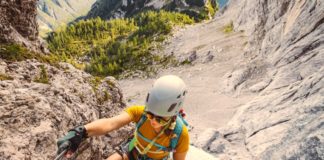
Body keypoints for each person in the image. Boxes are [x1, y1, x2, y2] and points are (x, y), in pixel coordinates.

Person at [57, 75, 190, 160]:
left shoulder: (180, 134)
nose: (153, 121)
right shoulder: (139, 113)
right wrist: (81, 131)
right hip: (132, 151)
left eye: (160, 119)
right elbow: (110, 123)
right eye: (150, 115)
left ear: (173, 115)